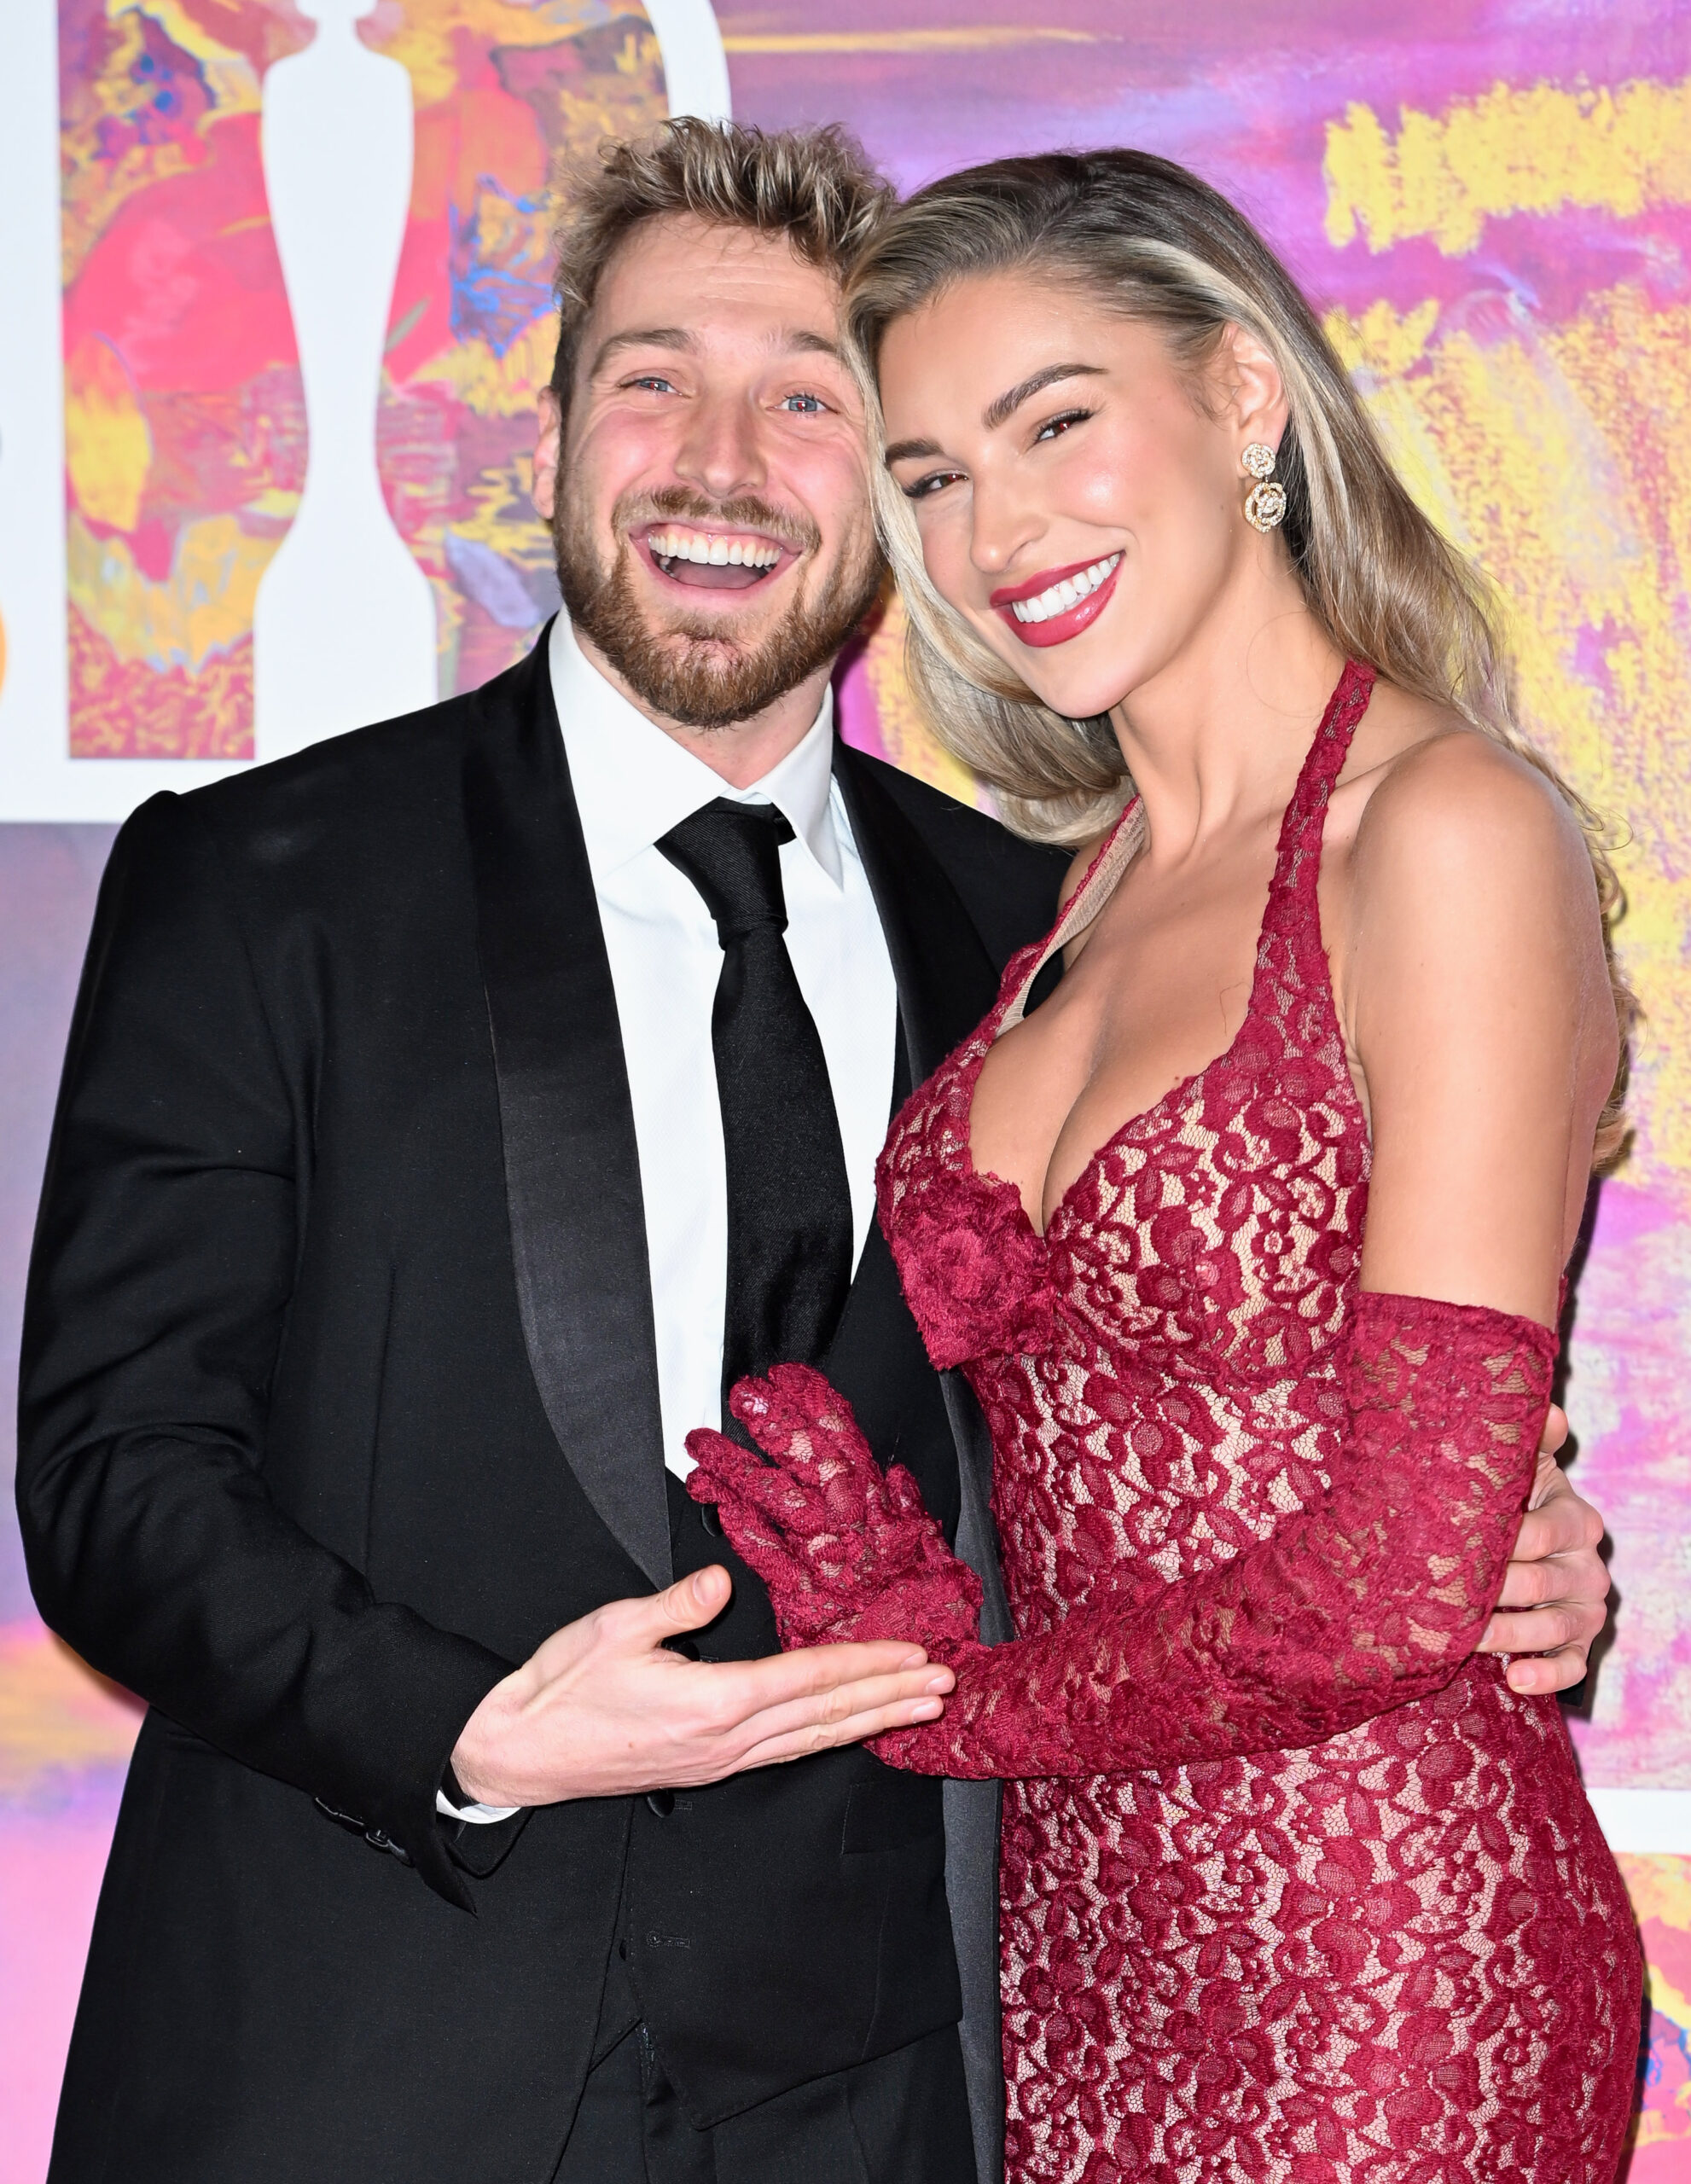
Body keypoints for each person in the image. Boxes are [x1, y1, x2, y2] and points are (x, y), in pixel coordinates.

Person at [16, 124, 1609, 2184]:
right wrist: (461, 1726)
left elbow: (1209, 1400)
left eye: (813, 403)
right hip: (363, 2052)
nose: (717, 456)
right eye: (652, 377)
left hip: (901, 2076)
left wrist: (1496, 1530)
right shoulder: (262, 878)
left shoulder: (1026, 921)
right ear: (559, 420)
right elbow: (116, 1479)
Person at [683, 149, 1643, 2183]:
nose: (995, 528)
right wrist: (887, 1577)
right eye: (931, 474)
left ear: (1239, 395)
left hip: (1390, 1942)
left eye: (1057, 423)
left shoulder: (1444, 831)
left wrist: (962, 1697)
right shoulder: (1064, 898)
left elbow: (1396, 1578)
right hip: (1077, 1949)